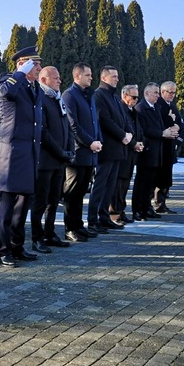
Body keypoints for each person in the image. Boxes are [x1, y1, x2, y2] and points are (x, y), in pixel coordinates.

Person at [0, 46, 43, 267]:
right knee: (5, 208)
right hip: (11, 155)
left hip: (29, 154)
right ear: (22, 64)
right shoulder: (9, 81)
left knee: (22, 206)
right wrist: (20, 73)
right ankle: (3, 250)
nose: (39, 68)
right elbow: (6, 93)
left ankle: (17, 247)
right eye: (35, 64)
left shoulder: (34, 87)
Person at [31, 65, 74, 253]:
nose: (59, 81)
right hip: (45, 160)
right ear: (43, 80)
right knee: (40, 201)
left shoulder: (57, 98)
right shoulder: (40, 98)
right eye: (55, 78)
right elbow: (43, 131)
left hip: (59, 160)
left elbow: (67, 126)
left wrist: (69, 150)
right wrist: (60, 151)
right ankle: (37, 237)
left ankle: (50, 233)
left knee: (54, 199)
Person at [62, 63, 102, 243]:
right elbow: (73, 125)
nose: (91, 77)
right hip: (78, 153)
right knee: (72, 193)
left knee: (81, 192)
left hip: (90, 152)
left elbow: (95, 122)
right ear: (77, 76)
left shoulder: (89, 95)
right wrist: (90, 142)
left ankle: (78, 225)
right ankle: (70, 228)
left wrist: (98, 140)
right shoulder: (69, 95)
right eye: (88, 75)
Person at [90, 66, 132, 232]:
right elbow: (104, 120)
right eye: (113, 76)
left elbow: (124, 119)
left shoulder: (114, 97)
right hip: (107, 148)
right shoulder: (99, 95)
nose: (117, 79)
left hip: (118, 149)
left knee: (110, 186)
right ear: (104, 78)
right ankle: (93, 220)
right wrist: (122, 135)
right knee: (100, 186)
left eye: (117, 76)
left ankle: (104, 217)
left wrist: (129, 133)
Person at [134, 83, 177, 220]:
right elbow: (143, 130)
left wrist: (170, 128)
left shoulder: (156, 107)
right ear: (147, 93)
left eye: (158, 93)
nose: (158, 95)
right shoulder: (140, 108)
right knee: (142, 183)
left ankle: (147, 208)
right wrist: (162, 133)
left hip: (157, 151)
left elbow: (160, 125)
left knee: (151, 183)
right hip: (146, 151)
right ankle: (138, 210)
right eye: (156, 93)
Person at [112, 85, 143, 224]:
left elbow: (137, 130)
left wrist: (139, 143)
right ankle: (114, 213)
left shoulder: (133, 111)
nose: (136, 100)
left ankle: (121, 210)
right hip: (123, 151)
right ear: (124, 96)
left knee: (125, 184)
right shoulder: (121, 109)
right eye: (133, 97)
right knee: (118, 185)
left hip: (131, 153)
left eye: (137, 97)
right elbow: (123, 130)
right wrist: (133, 143)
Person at [155, 81, 184, 213]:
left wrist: (177, 131)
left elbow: (181, 124)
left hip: (170, 147)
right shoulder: (158, 105)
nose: (172, 95)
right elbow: (159, 124)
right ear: (162, 92)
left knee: (166, 177)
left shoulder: (172, 106)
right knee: (158, 177)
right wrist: (170, 126)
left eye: (174, 92)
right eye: (170, 92)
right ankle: (155, 203)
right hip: (161, 147)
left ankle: (162, 204)